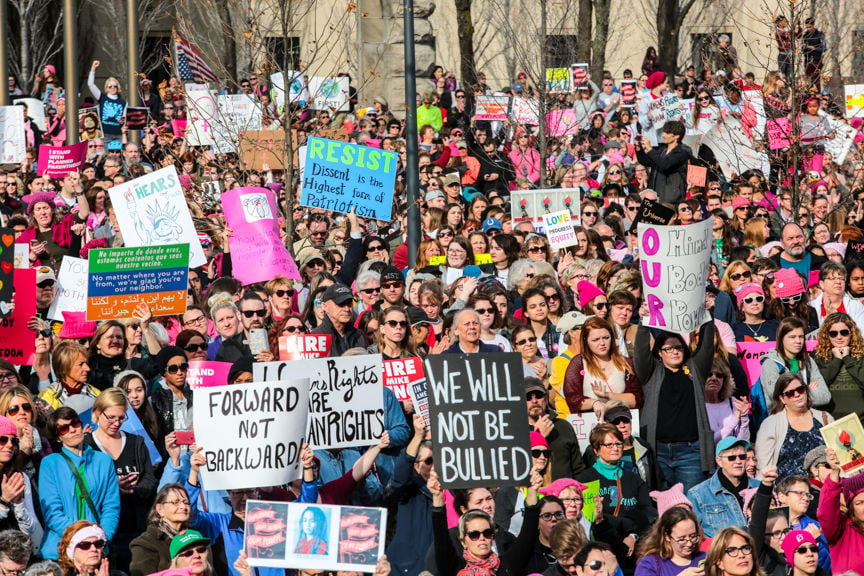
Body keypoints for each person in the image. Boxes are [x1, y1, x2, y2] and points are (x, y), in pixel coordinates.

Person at [634, 316, 716, 492]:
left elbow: (707, 346)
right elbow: (640, 354)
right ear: (659, 352)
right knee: (663, 509)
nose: (675, 351)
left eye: (678, 347)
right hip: (659, 451)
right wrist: (643, 323)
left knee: (692, 505)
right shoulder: (651, 373)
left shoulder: (695, 369)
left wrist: (708, 317)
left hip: (691, 452)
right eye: (668, 348)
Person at [84, 388, 156, 571]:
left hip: (137, 527)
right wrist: (113, 486)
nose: (116, 423)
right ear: (97, 413)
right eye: (111, 417)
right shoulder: (86, 446)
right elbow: (82, 487)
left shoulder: (136, 442)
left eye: (121, 418)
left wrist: (132, 490)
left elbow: (150, 481)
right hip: (101, 532)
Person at [429, 460, 542, 576]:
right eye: (474, 534)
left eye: (487, 533)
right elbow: (440, 536)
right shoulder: (455, 568)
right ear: (463, 542)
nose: (482, 538)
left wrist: (532, 491)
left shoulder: (507, 566)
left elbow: (528, 534)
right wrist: (437, 497)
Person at [38, 407, 120, 560]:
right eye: (64, 428)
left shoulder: (104, 461)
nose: (72, 430)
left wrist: (101, 539)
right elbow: (52, 512)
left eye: (75, 424)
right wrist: (82, 537)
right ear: (58, 438)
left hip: (96, 548)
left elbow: (111, 507)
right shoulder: (50, 463)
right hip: (59, 551)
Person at [577, 424, 656, 568]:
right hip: (600, 548)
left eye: (618, 443)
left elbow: (647, 512)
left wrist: (633, 536)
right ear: (596, 450)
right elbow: (587, 519)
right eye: (609, 445)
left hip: (631, 550)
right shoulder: (585, 480)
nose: (615, 448)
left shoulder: (633, 477)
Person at [563, 317, 643, 418]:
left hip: (621, 420)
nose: (602, 343)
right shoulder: (578, 363)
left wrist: (608, 395)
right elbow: (572, 398)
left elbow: (636, 399)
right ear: (586, 341)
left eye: (606, 338)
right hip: (592, 424)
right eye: (596, 340)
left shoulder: (626, 363)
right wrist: (594, 403)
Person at [687, 437, 759, 538]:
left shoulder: (759, 487)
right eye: (732, 458)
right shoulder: (698, 494)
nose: (738, 461)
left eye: (742, 457)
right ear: (719, 461)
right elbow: (692, 535)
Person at [525, 377, 585, 481]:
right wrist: (538, 436)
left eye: (538, 396)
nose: (534, 401)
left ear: (546, 398)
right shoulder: (514, 431)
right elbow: (517, 470)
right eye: (528, 397)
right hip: (534, 492)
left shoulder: (563, 426)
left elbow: (578, 469)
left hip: (564, 494)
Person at [129, 484, 195, 576]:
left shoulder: (197, 539)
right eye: (176, 502)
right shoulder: (145, 543)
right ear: (160, 509)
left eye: (186, 502)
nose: (183, 507)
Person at [812, 312, 864, 419]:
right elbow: (818, 386)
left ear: (851, 333)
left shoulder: (862, 355)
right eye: (833, 333)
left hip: (860, 419)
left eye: (844, 332)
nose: (839, 337)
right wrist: (836, 360)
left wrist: (847, 359)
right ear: (827, 335)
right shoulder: (818, 357)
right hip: (829, 420)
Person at [633, 506, 705, 576]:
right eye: (682, 539)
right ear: (666, 536)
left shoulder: (705, 559)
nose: (689, 544)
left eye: (693, 536)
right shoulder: (650, 564)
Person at [311, 284, 367, 356]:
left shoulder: (359, 336)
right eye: (341, 304)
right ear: (325, 306)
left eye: (350, 304)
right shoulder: (316, 338)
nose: (347, 309)